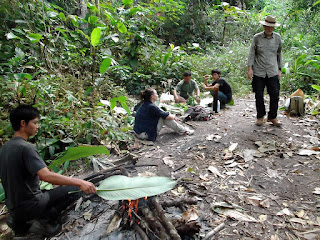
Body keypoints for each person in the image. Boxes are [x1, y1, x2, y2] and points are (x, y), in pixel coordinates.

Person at [0, 105, 96, 237]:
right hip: (31, 205)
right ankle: (44, 222)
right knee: (74, 190)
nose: (37, 126)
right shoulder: (26, 148)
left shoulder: (5, 148)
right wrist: (79, 182)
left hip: (14, 208)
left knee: (49, 193)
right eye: (35, 122)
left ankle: (21, 224)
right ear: (23, 123)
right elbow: (46, 176)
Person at [247, 15, 283, 126]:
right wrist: (249, 68)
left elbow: (279, 54)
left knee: (275, 94)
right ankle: (260, 116)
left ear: (274, 27)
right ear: (264, 26)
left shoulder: (277, 38)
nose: (269, 28)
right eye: (267, 26)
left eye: (271, 27)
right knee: (258, 94)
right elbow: (252, 53)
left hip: (273, 70)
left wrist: (280, 69)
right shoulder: (256, 38)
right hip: (259, 71)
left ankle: (272, 117)